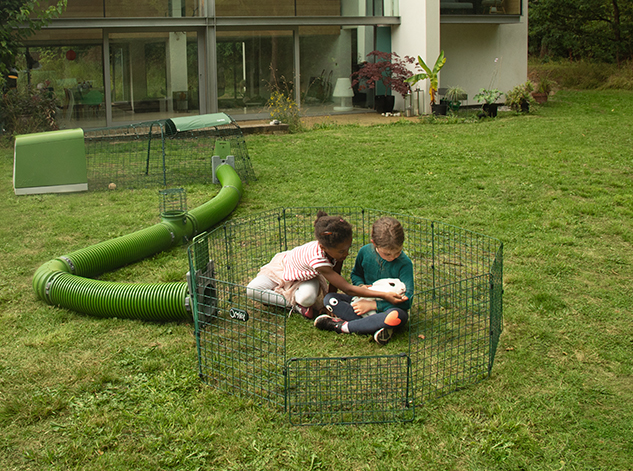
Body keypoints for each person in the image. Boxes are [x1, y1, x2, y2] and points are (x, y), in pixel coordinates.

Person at [246, 211, 407, 319]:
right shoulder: (319, 260)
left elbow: (335, 276)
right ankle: (294, 305)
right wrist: (383, 295)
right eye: (342, 251)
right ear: (324, 248)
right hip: (281, 269)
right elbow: (348, 288)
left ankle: (296, 302)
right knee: (252, 289)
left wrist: (328, 303)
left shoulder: (336, 251)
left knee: (308, 298)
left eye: (348, 248)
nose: (346, 254)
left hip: (304, 278)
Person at [314, 216, 414, 346]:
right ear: (374, 243)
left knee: (399, 316)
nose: (393, 257)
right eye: (387, 254)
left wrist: (375, 306)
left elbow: (408, 300)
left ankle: (342, 326)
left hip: (387, 308)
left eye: (398, 252)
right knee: (330, 299)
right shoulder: (365, 252)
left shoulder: (405, 264)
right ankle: (377, 326)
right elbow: (356, 274)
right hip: (362, 300)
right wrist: (361, 287)